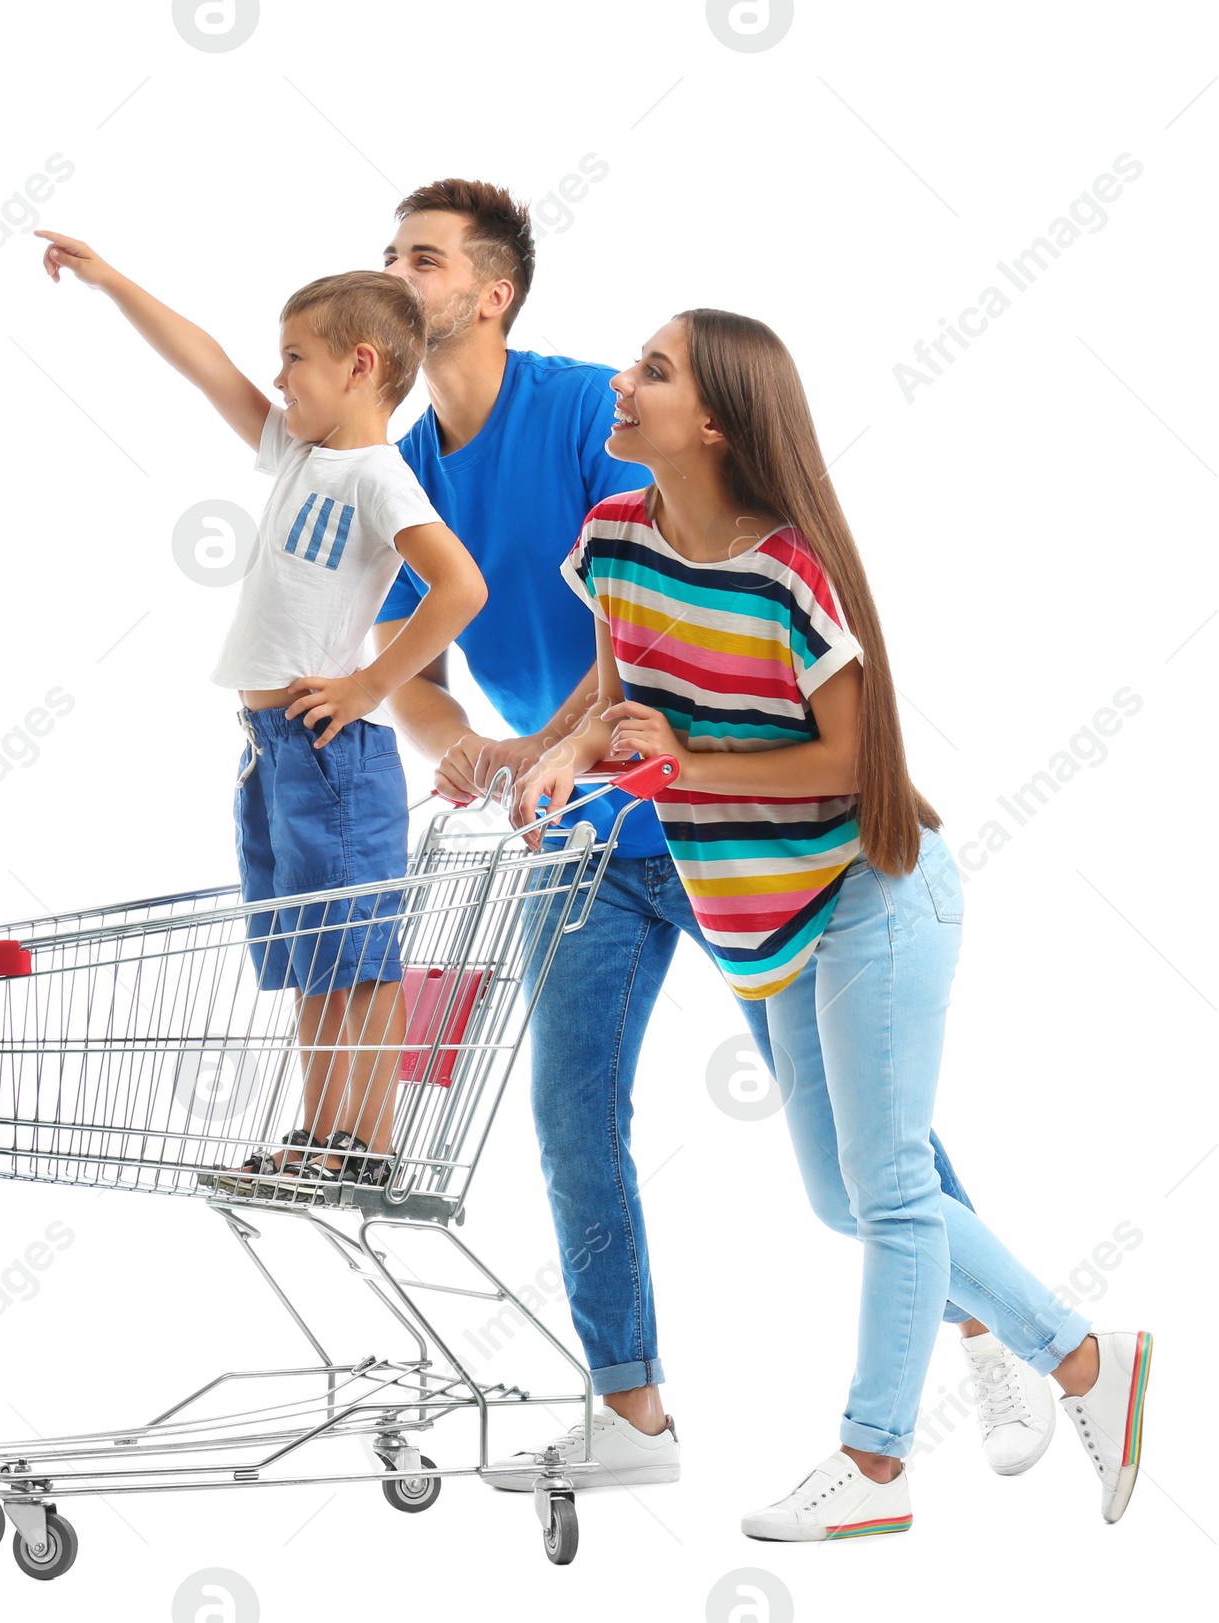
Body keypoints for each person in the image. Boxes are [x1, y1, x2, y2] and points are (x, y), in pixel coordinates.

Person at [370, 181, 997, 1493]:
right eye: (386, 253)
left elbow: (684, 588)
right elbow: (408, 666)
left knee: (858, 1139)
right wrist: (482, 750)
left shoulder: (590, 416)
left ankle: (988, 1326)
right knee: (569, 1110)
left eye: (419, 258)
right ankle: (631, 1413)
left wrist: (620, 747)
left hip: (722, 827)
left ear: (490, 294)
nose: (392, 273)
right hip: (581, 833)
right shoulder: (407, 468)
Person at [512, 306, 1153, 1535]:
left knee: (893, 1189)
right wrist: (565, 759)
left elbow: (849, 757)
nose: (620, 380)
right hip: (767, 917)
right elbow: (616, 705)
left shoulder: (786, 569)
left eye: (650, 370)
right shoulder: (613, 538)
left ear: (710, 421)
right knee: (845, 1198)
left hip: (873, 892)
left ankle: (872, 1471)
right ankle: (1087, 1364)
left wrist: (681, 764)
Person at [34, 234, 487, 1197]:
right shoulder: (298, 450)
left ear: (360, 367)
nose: (276, 381)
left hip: (332, 752)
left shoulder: (377, 477)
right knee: (313, 957)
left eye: (295, 360)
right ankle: (322, 1133)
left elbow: (460, 587)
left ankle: (359, 1140)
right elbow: (209, 368)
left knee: (352, 960)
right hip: (275, 749)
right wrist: (113, 280)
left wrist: (367, 687)